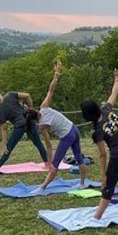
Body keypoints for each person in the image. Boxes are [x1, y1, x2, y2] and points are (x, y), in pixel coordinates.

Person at [80, 65, 118, 220]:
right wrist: (117, 78)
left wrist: (103, 175)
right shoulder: (106, 109)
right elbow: (114, 92)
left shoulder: (97, 132)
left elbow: (102, 155)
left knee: (109, 185)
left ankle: (97, 217)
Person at [32, 62, 87, 192]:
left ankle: (42, 187)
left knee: (55, 165)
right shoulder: (44, 107)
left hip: (67, 136)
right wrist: (56, 74)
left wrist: (49, 162)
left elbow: (49, 145)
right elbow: (51, 90)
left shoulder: (42, 127)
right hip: (74, 128)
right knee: (79, 157)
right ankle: (82, 183)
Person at [0, 90, 49, 176]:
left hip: (20, 126)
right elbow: (27, 95)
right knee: (38, 143)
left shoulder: (0, 112)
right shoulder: (9, 95)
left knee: (9, 148)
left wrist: (3, 145)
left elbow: (4, 129)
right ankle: (47, 164)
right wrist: (30, 109)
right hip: (29, 122)